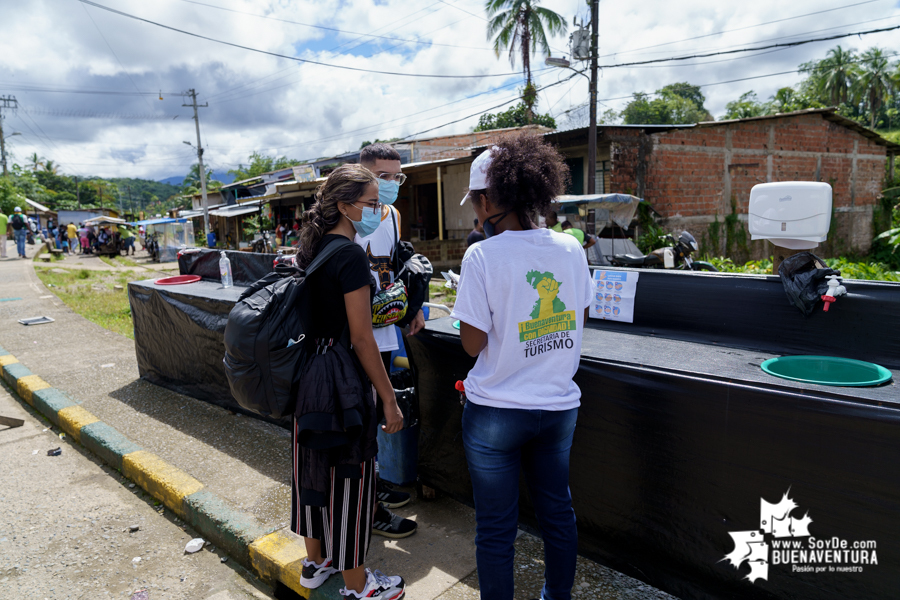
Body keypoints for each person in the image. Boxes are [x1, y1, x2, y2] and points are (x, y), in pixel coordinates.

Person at [452, 136, 593, 600]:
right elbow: (577, 318)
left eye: (475, 202)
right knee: (557, 513)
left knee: (496, 528)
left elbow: (471, 346)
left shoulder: (482, 255)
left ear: (487, 200)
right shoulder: (571, 249)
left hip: (495, 412)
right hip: (557, 408)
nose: (476, 214)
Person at [290, 163, 406, 600]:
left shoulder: (314, 250)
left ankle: (315, 564)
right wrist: (389, 399)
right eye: (372, 203)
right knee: (352, 483)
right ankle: (360, 588)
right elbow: (361, 338)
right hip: (342, 385)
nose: (379, 210)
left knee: (312, 472)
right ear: (344, 206)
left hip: (310, 382)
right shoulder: (350, 255)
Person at [355, 143, 423, 539]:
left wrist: (413, 306)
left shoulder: (393, 215)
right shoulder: (344, 214)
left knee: (377, 415)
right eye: (382, 176)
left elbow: (395, 264)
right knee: (361, 418)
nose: (391, 184)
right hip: (353, 337)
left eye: (396, 176)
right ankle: (369, 510)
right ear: (362, 173)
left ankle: (373, 485)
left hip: (383, 332)